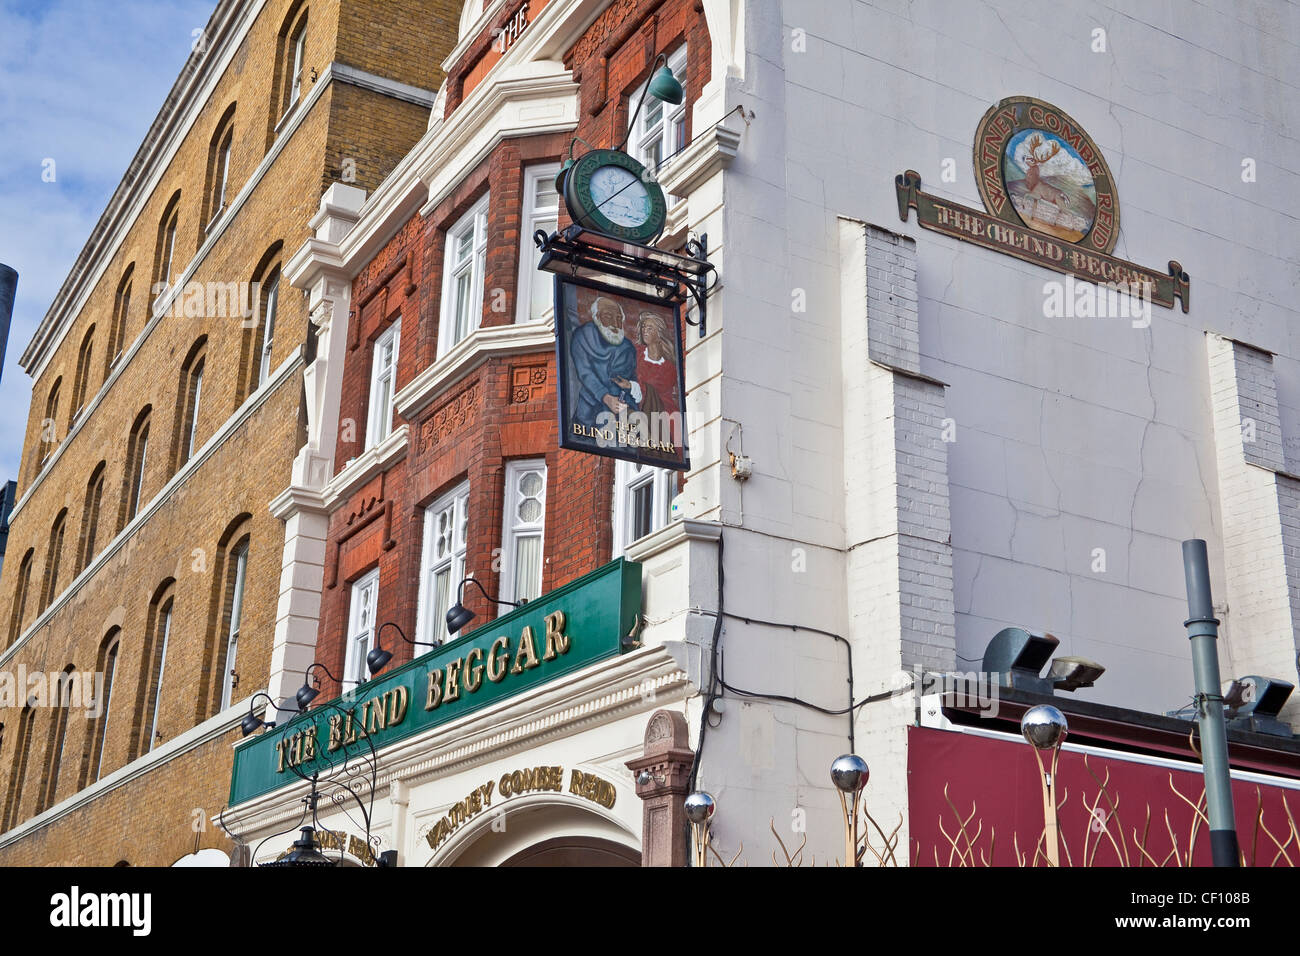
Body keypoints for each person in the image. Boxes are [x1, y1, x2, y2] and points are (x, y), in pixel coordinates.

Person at [569, 295, 641, 428]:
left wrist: (629, 387)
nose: (615, 323)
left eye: (619, 318)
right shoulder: (583, 336)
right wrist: (606, 397)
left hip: (623, 414)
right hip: (590, 414)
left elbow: (631, 378)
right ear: (597, 318)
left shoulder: (627, 347)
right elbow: (585, 373)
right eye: (608, 316)